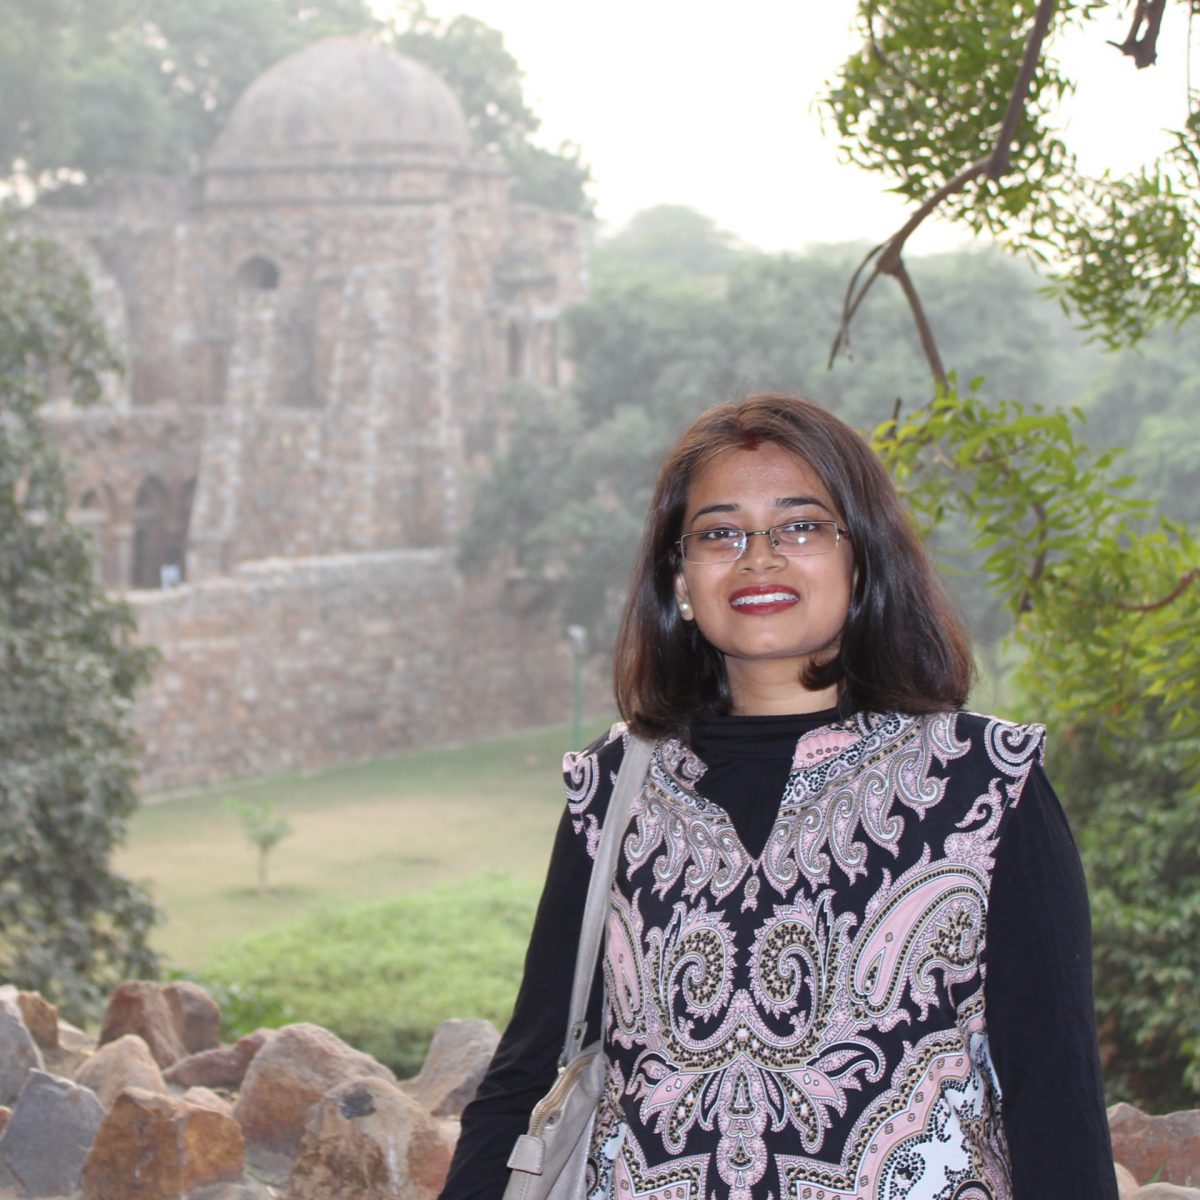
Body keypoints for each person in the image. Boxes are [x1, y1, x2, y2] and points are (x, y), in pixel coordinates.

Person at [439, 393, 1118, 1200]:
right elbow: (525, 1075)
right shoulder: (612, 791)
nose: (758, 558)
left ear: (861, 557)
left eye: (801, 526)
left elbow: (1055, 1096)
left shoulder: (985, 783)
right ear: (679, 577)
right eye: (720, 533)